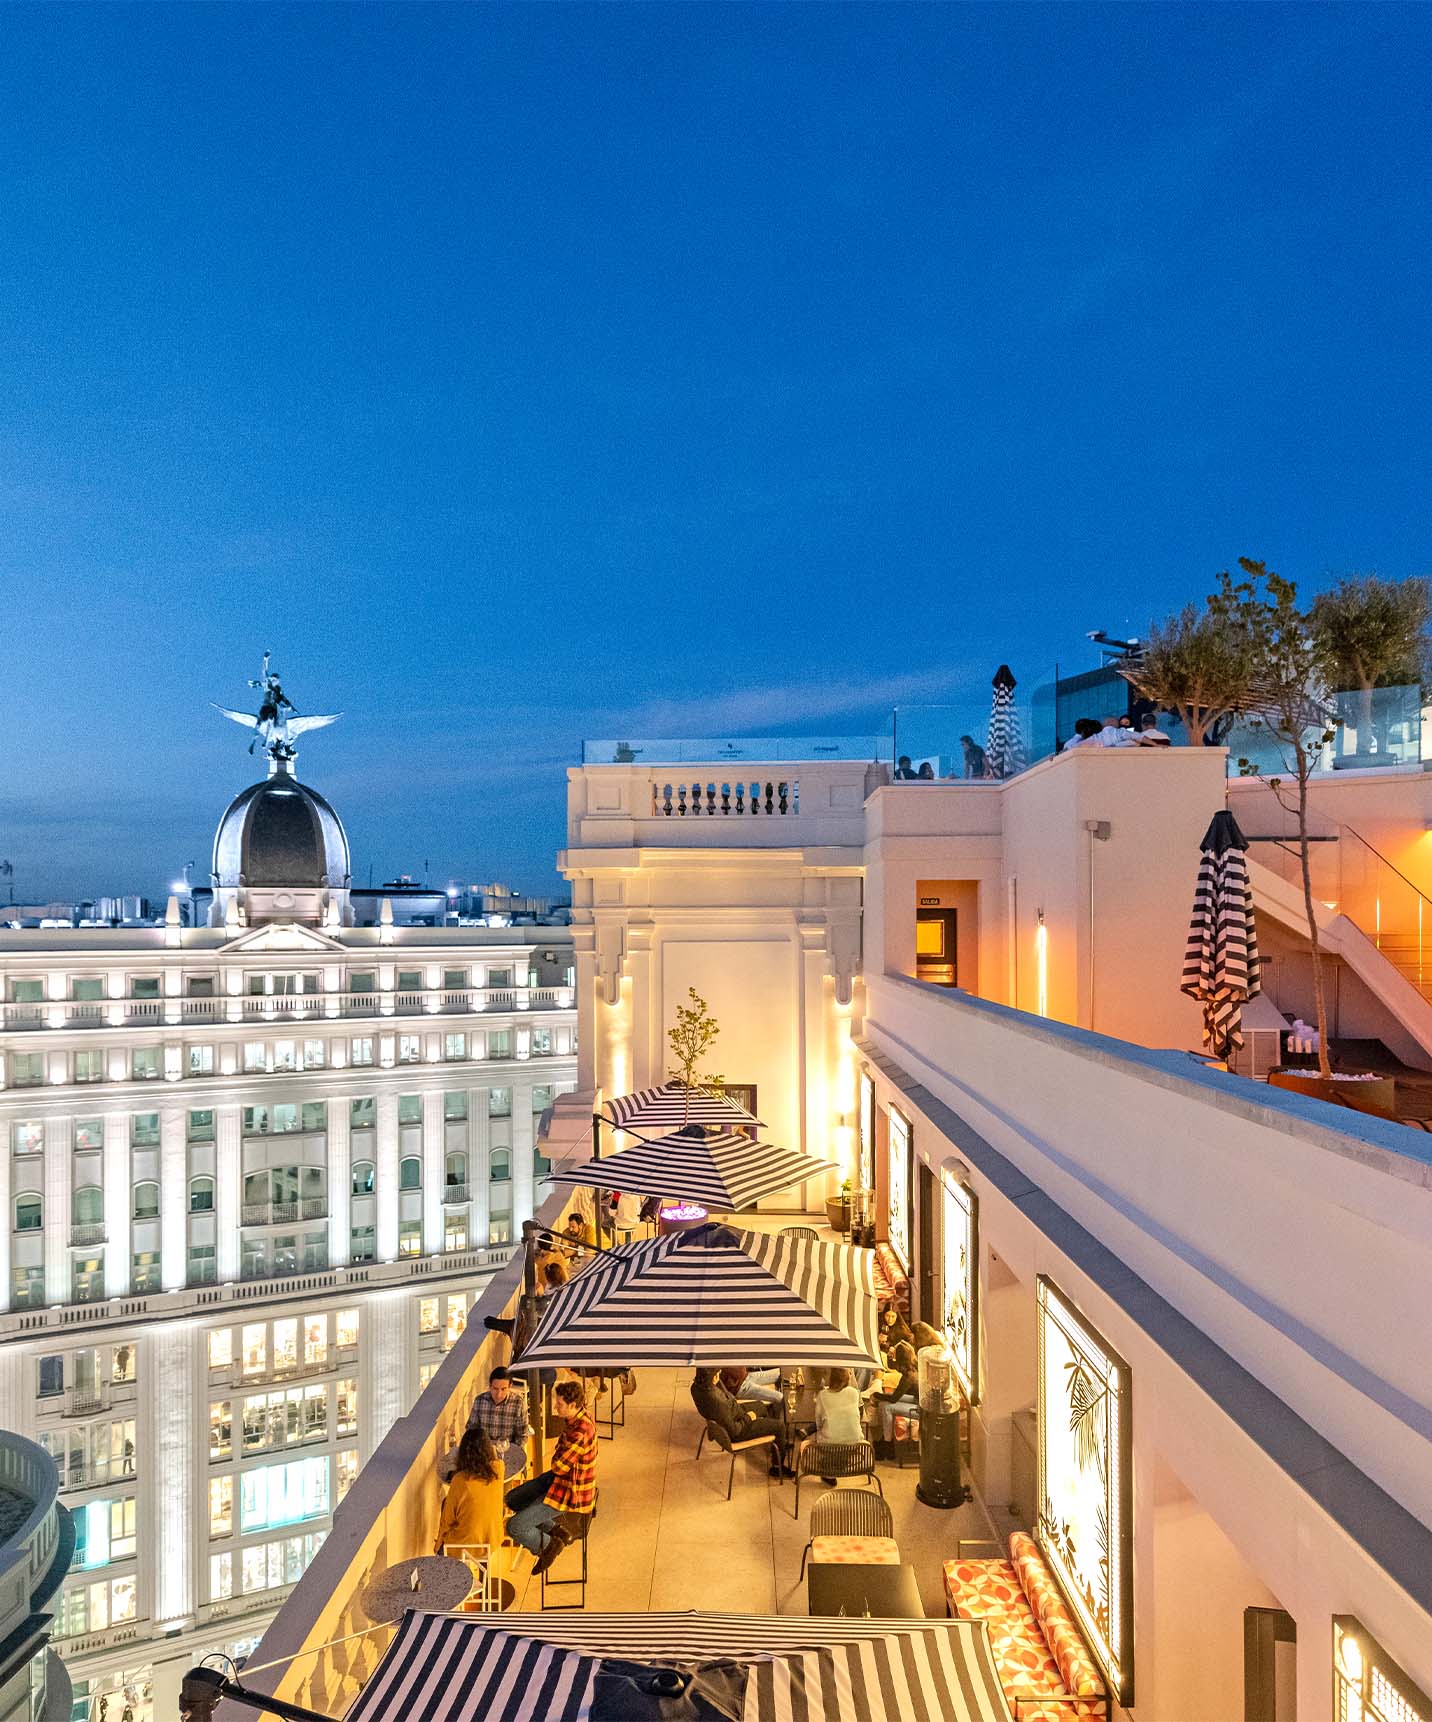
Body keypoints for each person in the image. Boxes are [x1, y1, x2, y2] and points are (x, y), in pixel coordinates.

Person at [505, 1379, 597, 1573]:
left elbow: (558, 1465)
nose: (555, 1407)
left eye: (560, 1404)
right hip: (558, 1480)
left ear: (573, 1405)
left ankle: (548, 1546)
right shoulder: (575, 1419)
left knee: (514, 1527)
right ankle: (558, 1532)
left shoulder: (581, 1431)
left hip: (570, 1491)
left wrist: (558, 1456)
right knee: (513, 1500)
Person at [691, 1368, 789, 1478]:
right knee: (780, 1426)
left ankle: (777, 1442)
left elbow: (726, 1397)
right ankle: (777, 1467)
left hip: (734, 1411)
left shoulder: (697, 1387)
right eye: (717, 1373)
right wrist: (748, 1417)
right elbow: (734, 1431)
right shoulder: (717, 1402)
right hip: (739, 1430)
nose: (719, 1373)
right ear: (711, 1378)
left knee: (761, 1406)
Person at [434, 1426, 506, 1557]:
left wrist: (438, 1542)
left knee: (447, 1506)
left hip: (466, 1546)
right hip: (493, 1539)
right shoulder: (499, 1469)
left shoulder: (459, 1480)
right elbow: (494, 1457)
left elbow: (447, 1520)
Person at [461, 1367, 529, 1477]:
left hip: (507, 1452)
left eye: (503, 1389)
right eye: (495, 1389)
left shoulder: (518, 1403)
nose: (498, 1394)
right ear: (490, 1386)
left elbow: (522, 1435)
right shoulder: (480, 1400)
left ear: (510, 1387)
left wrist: (515, 1453)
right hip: (483, 1453)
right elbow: (471, 1430)